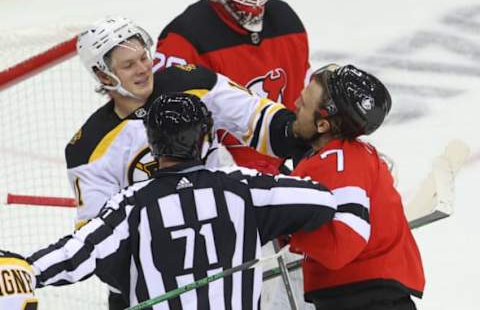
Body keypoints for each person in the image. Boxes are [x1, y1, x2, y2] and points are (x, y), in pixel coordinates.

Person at [13, 93, 340, 310]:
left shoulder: (133, 204)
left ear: (153, 147)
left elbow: (76, 255)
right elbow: (321, 200)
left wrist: (23, 270)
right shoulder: (242, 187)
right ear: (204, 139)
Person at [68, 15, 305, 309]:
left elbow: (261, 120)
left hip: (224, 254)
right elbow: (98, 240)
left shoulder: (193, 83)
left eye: (144, 57)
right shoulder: (89, 147)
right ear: (104, 76)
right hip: (154, 281)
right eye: (129, 65)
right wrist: (154, 275)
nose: (144, 69)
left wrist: (306, 134)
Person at [286, 64, 425, 309]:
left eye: (305, 104)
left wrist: (291, 229)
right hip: (374, 295)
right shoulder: (354, 156)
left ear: (323, 125)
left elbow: (341, 247)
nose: (296, 103)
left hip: (366, 299)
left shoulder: (340, 162)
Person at [154, 0, 311, 173]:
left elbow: (305, 93)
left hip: (281, 165)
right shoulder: (183, 36)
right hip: (217, 177)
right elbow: (161, 122)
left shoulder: (286, 19)